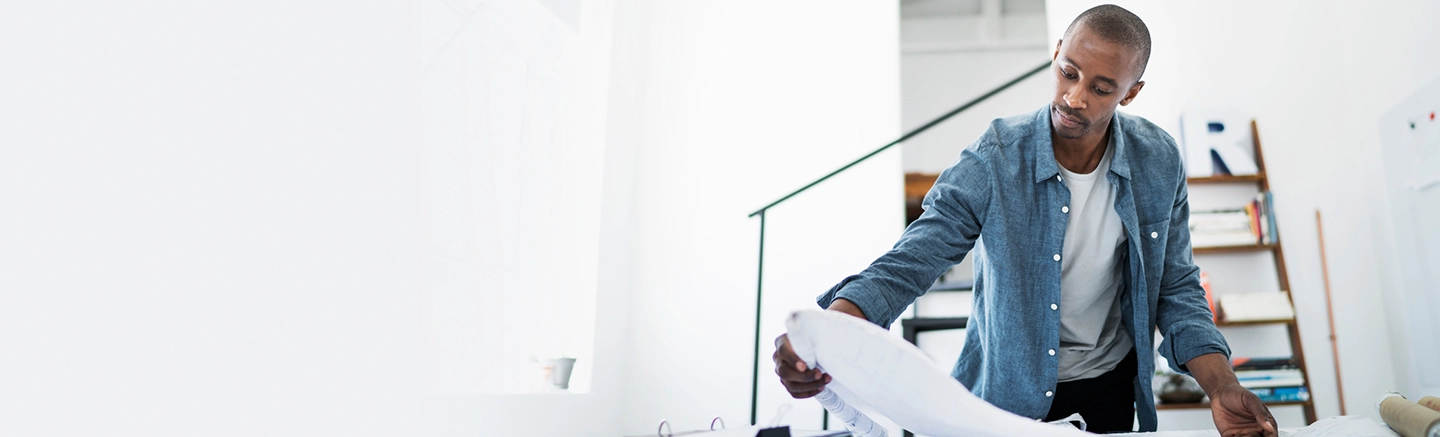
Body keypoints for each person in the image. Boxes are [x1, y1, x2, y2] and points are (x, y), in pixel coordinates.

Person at [772, 5, 1278, 436]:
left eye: (1102, 88)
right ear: (1057, 52)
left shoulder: (1157, 160)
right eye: (1069, 71)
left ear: (1131, 92)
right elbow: (911, 260)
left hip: (1110, 389)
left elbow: (1176, 288)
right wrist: (825, 337)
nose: (1075, 97)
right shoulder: (995, 158)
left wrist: (1222, 385)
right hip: (1005, 398)